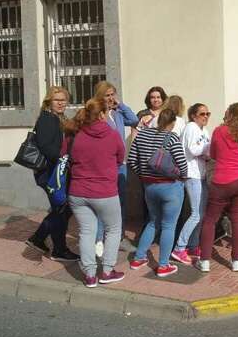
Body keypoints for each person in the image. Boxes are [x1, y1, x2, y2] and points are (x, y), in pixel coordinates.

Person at [64, 98, 127, 288]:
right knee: (113, 229)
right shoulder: (113, 134)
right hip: (105, 191)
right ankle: (107, 271)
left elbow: (65, 155)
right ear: (102, 114)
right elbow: (120, 157)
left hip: (77, 191)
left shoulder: (75, 134)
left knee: (86, 231)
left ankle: (90, 275)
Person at [197, 103, 238, 273]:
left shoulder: (219, 131)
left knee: (210, 220)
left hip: (222, 180)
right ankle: (237, 262)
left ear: (230, 114)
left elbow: (214, 155)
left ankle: (204, 261)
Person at [128, 108, 188, 278]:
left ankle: (138, 258)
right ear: (173, 123)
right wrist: (182, 177)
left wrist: (143, 175)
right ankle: (163, 265)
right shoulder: (172, 138)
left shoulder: (143, 135)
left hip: (149, 187)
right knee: (169, 225)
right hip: (170, 187)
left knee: (153, 222)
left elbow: (132, 159)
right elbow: (182, 164)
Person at [26, 87, 79, 262]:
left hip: (56, 171)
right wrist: (65, 158)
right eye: (57, 100)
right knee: (61, 209)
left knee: (61, 209)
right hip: (49, 173)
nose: (61, 103)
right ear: (49, 101)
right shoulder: (47, 119)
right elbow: (47, 147)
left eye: (64, 100)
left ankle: (38, 238)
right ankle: (59, 250)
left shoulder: (59, 118)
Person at [92, 81, 138, 254]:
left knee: (121, 203)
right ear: (100, 97)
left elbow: (134, 120)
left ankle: (119, 237)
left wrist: (121, 105)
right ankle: (99, 239)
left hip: (121, 165)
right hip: (105, 166)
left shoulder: (118, 113)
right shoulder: (97, 115)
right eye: (107, 95)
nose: (111, 98)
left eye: (113, 94)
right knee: (104, 205)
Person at [170, 103, 212, 265]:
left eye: (208, 113)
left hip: (201, 173)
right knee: (195, 214)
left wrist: (207, 151)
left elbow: (205, 152)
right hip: (191, 174)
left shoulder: (204, 131)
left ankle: (193, 245)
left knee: (201, 213)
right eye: (202, 114)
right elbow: (193, 150)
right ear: (194, 115)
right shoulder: (191, 127)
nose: (206, 116)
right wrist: (208, 148)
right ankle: (179, 248)